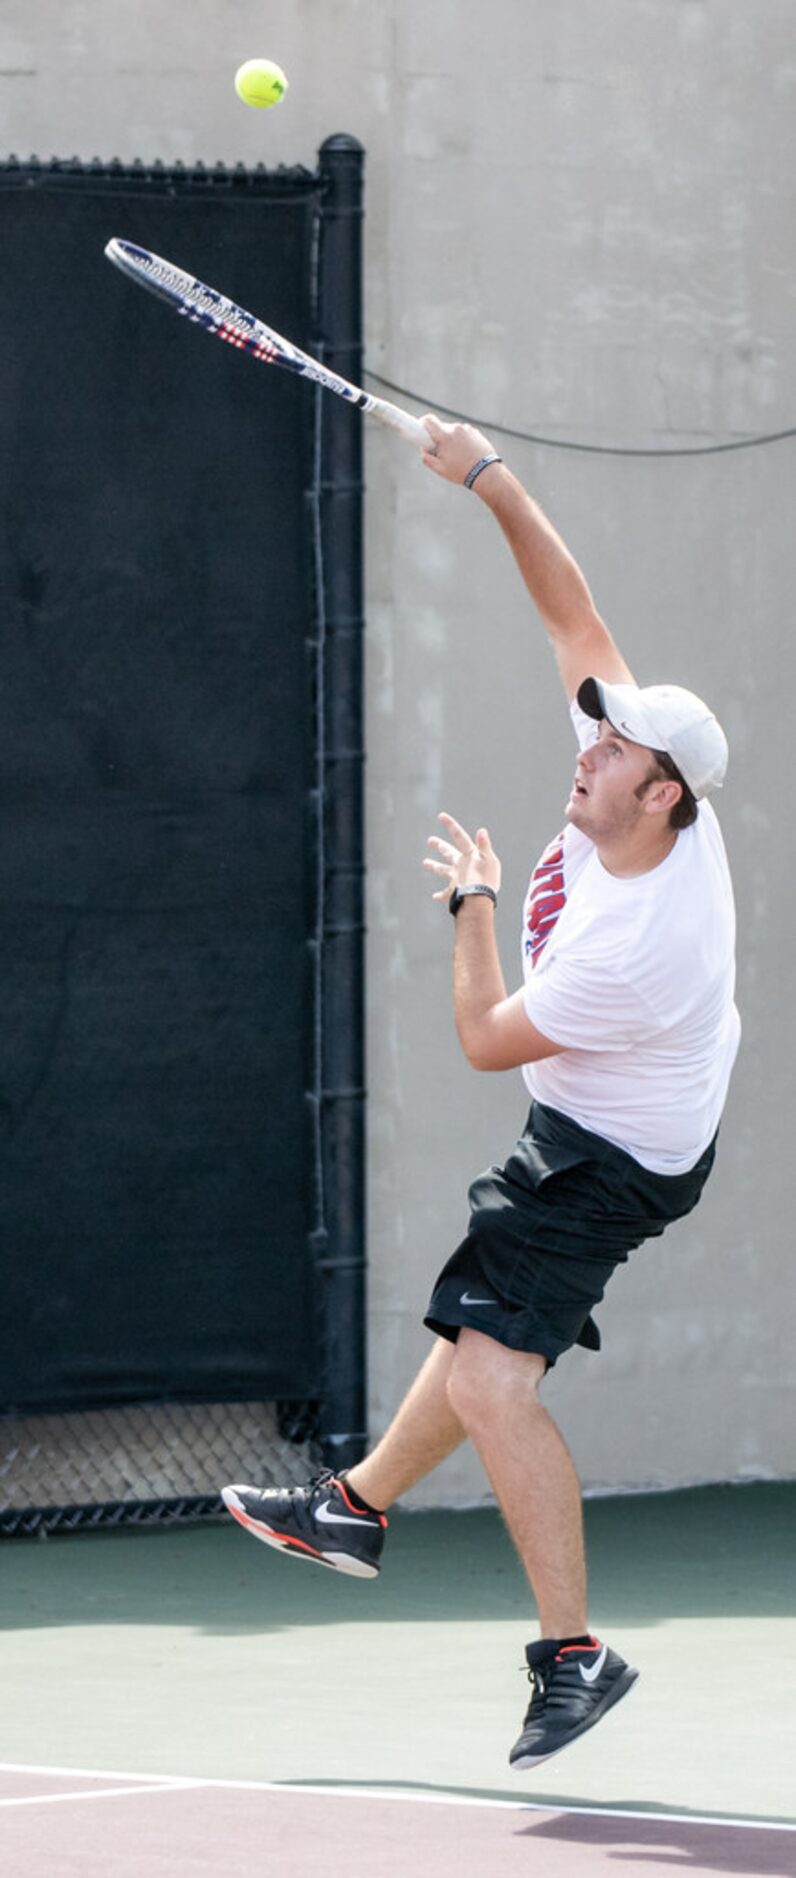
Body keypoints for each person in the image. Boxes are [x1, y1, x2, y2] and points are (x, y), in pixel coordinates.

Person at [222, 417, 740, 1770]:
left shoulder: (639, 944)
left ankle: (576, 1650)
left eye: (615, 750)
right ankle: (353, 1508)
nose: (589, 748)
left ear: (665, 793)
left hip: (607, 1152)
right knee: (479, 1329)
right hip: (628, 1120)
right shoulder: (651, 788)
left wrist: (473, 905)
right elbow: (570, 602)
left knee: (500, 1378)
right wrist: (488, 477)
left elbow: (482, 1037)